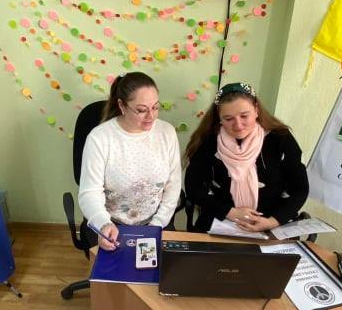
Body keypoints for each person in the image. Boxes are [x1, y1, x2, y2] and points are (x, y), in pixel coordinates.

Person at [183, 82, 308, 233]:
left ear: (256, 110)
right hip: (221, 219)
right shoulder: (209, 140)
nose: (238, 125)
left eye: (244, 116)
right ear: (219, 117)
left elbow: (300, 189)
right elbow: (193, 187)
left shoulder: (280, 138)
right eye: (228, 118)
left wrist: (271, 222)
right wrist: (231, 213)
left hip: (272, 222)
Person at [79, 72, 181, 250]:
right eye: (141, 110)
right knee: (118, 266)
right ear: (122, 106)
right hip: (111, 225)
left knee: (161, 267)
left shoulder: (167, 132)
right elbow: (89, 192)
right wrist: (104, 224)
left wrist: (157, 225)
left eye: (155, 107)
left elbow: (173, 186)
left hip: (157, 222)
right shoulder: (100, 138)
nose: (151, 116)